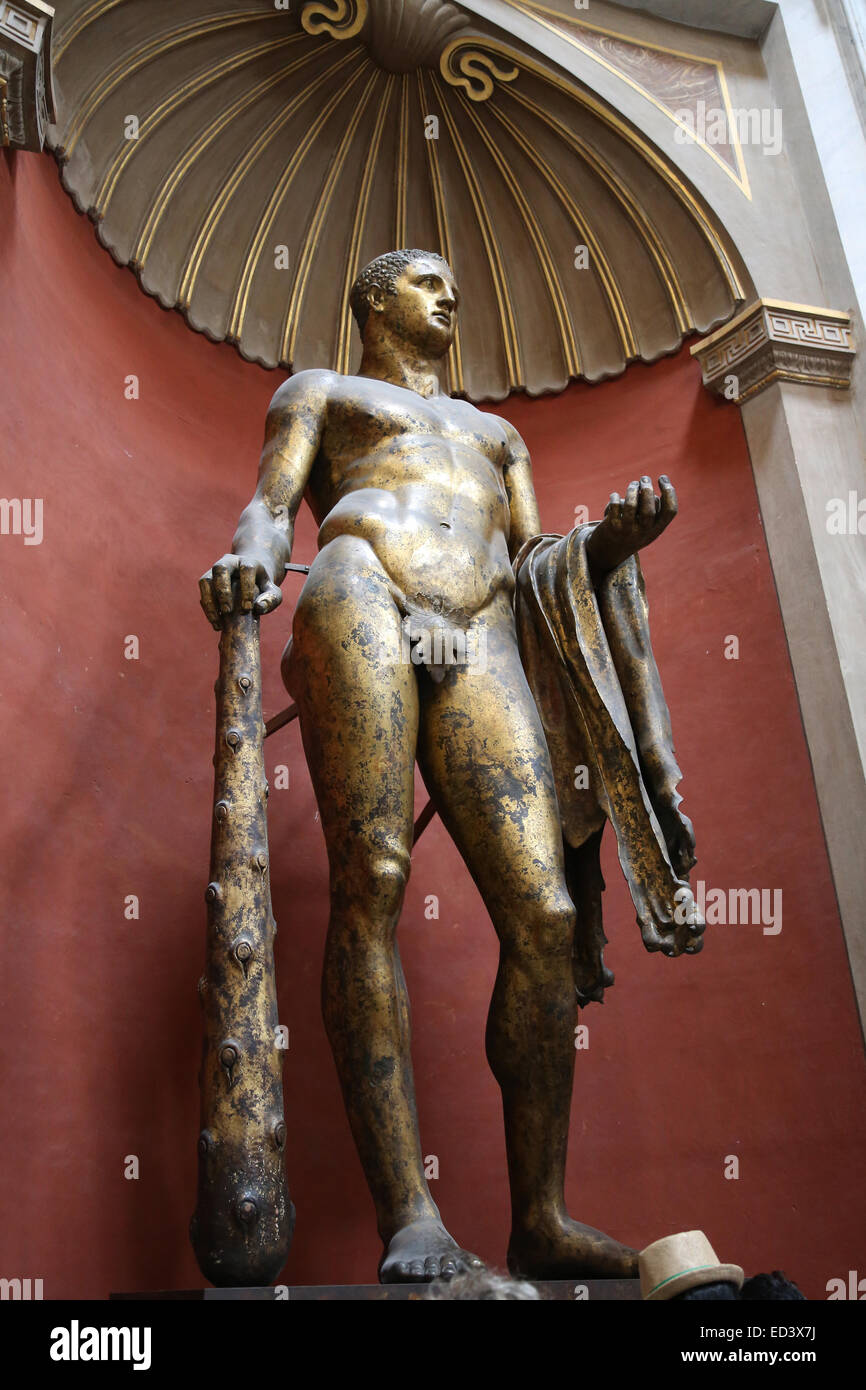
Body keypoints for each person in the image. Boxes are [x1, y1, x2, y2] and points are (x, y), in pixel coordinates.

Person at [200, 249, 699, 1283]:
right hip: (359, 589)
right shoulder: (322, 391)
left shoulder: (495, 433)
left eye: (452, 284)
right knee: (374, 879)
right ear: (370, 297)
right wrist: (247, 553)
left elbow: (532, 563)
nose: (449, 294)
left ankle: (538, 1216)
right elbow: (268, 505)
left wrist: (607, 543)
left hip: (478, 627)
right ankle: (410, 1214)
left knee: (546, 919)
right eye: (423, 279)